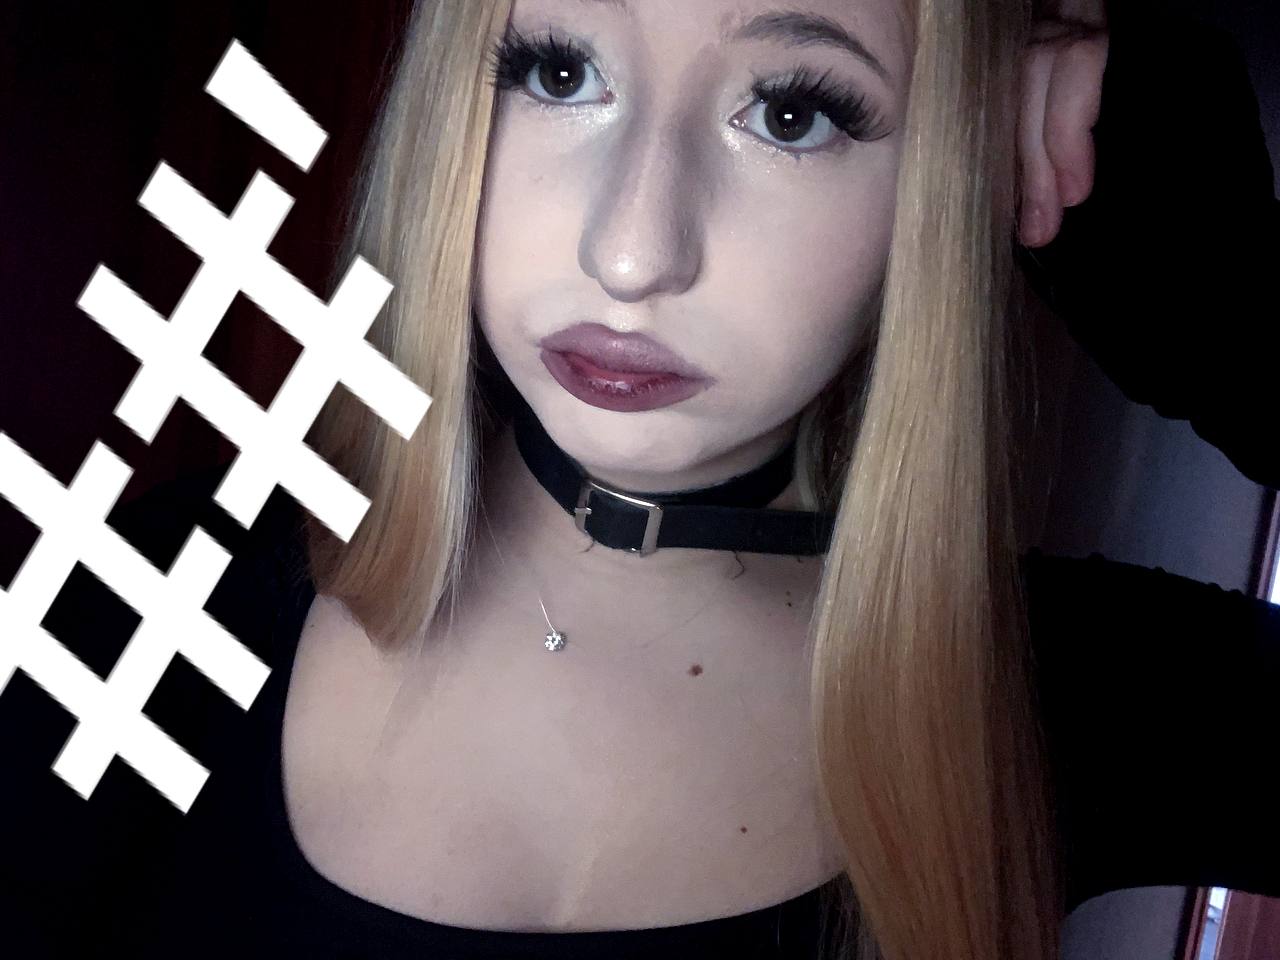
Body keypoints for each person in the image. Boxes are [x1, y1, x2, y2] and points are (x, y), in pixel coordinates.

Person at [5, 1, 1277, 958]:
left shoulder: (1042, 695)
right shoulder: (151, 598)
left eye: (791, 113)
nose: (630, 251)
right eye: (559, 73)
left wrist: (1167, 232)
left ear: (940, 180)